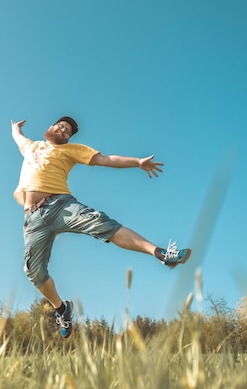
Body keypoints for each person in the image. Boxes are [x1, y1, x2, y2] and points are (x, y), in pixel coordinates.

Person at [11, 116, 191, 338]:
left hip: (60, 205)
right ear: (50, 128)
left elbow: (106, 159)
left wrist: (137, 162)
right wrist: (15, 129)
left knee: (102, 223)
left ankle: (161, 253)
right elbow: (18, 138)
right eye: (61, 126)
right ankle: (62, 309)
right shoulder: (31, 147)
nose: (63, 130)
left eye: (67, 131)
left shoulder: (72, 150)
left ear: (68, 138)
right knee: (33, 273)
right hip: (32, 219)